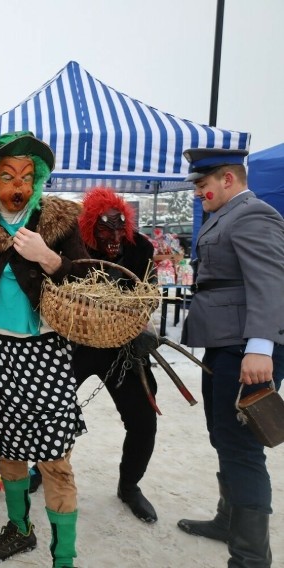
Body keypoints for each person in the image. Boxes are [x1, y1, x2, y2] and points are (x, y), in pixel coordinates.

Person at [0, 131, 88, 567]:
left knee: (54, 459)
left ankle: (64, 555)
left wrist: (49, 258)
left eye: (27, 177)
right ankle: (19, 529)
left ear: (38, 179)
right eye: (8, 176)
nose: (18, 187)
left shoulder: (59, 221)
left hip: (47, 354)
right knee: (9, 450)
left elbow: (87, 283)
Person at [177, 148, 284, 567]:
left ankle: (250, 559)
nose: (199, 194)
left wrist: (260, 346)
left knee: (241, 446)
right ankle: (228, 520)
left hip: (247, 348)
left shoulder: (253, 214)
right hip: (227, 344)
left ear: (228, 178)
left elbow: (271, 282)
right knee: (223, 434)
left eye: (203, 186)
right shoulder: (228, 214)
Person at [73, 187, 159, 523]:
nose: (114, 237)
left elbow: (149, 296)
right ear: (90, 227)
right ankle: (44, 468)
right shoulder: (74, 246)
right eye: (105, 230)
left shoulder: (141, 248)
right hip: (77, 344)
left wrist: (138, 324)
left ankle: (130, 486)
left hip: (124, 348)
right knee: (52, 410)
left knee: (143, 420)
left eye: (119, 230)